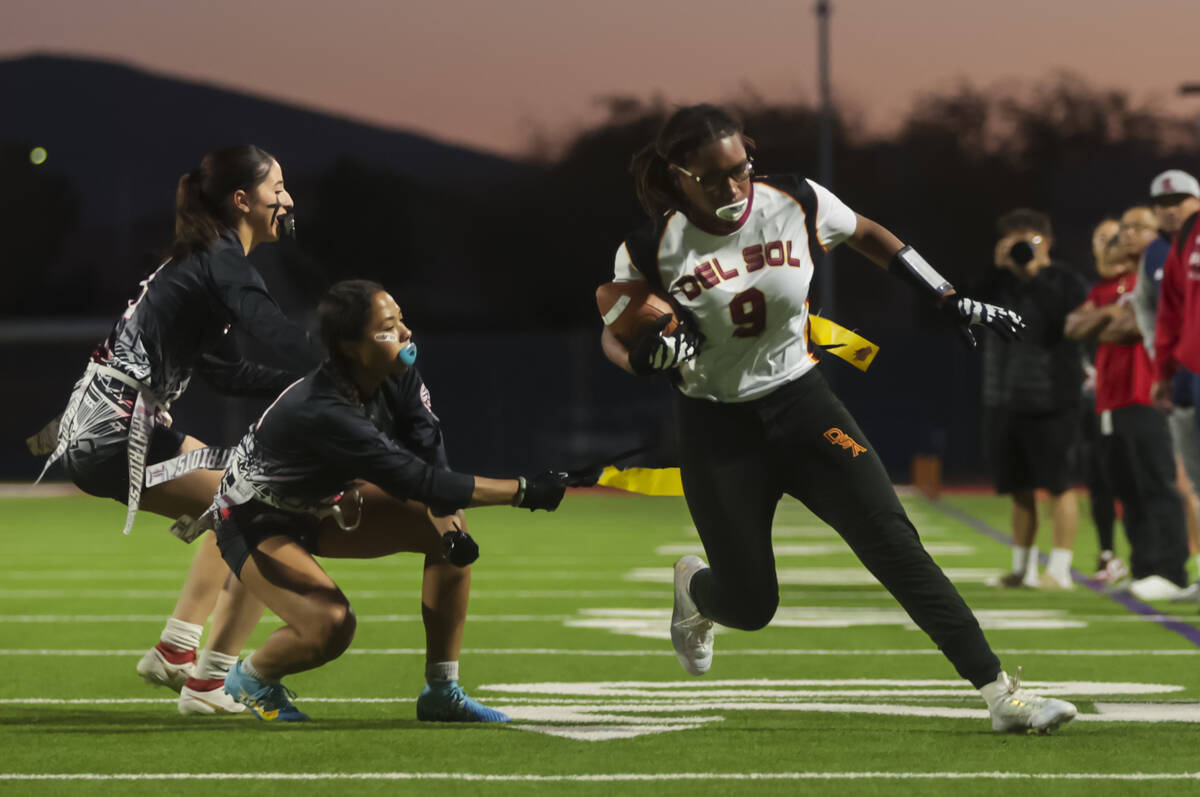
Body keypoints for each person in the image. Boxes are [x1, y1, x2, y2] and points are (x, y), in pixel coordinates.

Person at [599, 104, 1075, 733]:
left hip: (803, 404)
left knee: (896, 545)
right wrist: (642, 357)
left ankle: (999, 693)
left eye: (741, 169)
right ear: (679, 174)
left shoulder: (793, 199)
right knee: (750, 603)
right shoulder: (648, 247)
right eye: (713, 178)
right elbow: (614, 329)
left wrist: (947, 296)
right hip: (718, 428)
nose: (732, 187)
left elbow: (870, 234)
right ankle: (695, 589)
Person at [34, 145, 319, 714]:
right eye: (278, 187)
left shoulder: (205, 258)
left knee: (239, 502)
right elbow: (264, 322)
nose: (287, 199)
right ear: (243, 200)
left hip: (105, 422)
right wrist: (340, 363)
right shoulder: (222, 255)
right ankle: (202, 675)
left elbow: (224, 371)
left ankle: (177, 650)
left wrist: (306, 384)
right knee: (258, 512)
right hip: (115, 427)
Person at [212, 279, 566, 722]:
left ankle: (442, 691)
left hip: (324, 501)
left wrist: (447, 522)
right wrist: (524, 491)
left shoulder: (394, 374)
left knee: (449, 535)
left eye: (400, 321)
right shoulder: (325, 408)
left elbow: (429, 455)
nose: (405, 334)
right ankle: (252, 676)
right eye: (388, 327)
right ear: (351, 347)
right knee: (331, 626)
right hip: (256, 517)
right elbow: (417, 478)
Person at [1064, 209, 1189, 598]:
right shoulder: (1110, 285)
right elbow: (1073, 327)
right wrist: (1109, 316)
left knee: (1157, 482)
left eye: (1138, 227)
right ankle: (1144, 567)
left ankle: (1171, 572)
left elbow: (1129, 327)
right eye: (1126, 227)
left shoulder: (1160, 277)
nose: (1127, 234)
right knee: (1127, 486)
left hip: (1147, 393)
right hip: (1111, 399)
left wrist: (1109, 321)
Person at [973, 209, 1088, 590]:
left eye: (1030, 239)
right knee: (1017, 487)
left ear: (1048, 241)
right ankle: (1022, 569)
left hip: (1052, 398)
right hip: (1002, 397)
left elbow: (1064, 322)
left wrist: (1035, 273)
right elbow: (964, 307)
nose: (1023, 247)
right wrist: (998, 267)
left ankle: (1059, 570)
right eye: (1015, 240)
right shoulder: (998, 283)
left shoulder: (1065, 280)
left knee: (1059, 484)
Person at [1133, 170, 1200, 591]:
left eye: (1178, 203)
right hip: (1191, 373)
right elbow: (1170, 314)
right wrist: (1163, 373)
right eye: (1162, 206)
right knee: (1196, 478)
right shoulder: (1180, 244)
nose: (1170, 211)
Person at [1076, 219, 1126, 582]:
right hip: (1097, 396)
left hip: (1138, 393)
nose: (1108, 245)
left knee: (1153, 479)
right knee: (1099, 476)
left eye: (1114, 237)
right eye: (1101, 238)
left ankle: (1163, 561)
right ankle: (1109, 553)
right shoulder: (1092, 290)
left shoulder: (1139, 283)